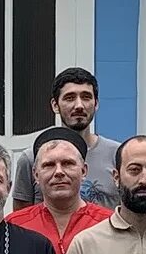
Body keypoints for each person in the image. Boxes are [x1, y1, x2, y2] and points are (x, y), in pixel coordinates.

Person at [11, 68, 121, 209]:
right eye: (70, 98)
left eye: (86, 97)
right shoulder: (31, 158)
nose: (79, 105)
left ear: (96, 104)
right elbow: (21, 220)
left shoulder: (117, 155)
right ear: (55, 105)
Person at [8, 128, 114, 254]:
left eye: (68, 163)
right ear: (35, 175)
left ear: (84, 171)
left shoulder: (108, 224)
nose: (59, 172)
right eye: (49, 165)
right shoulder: (14, 226)